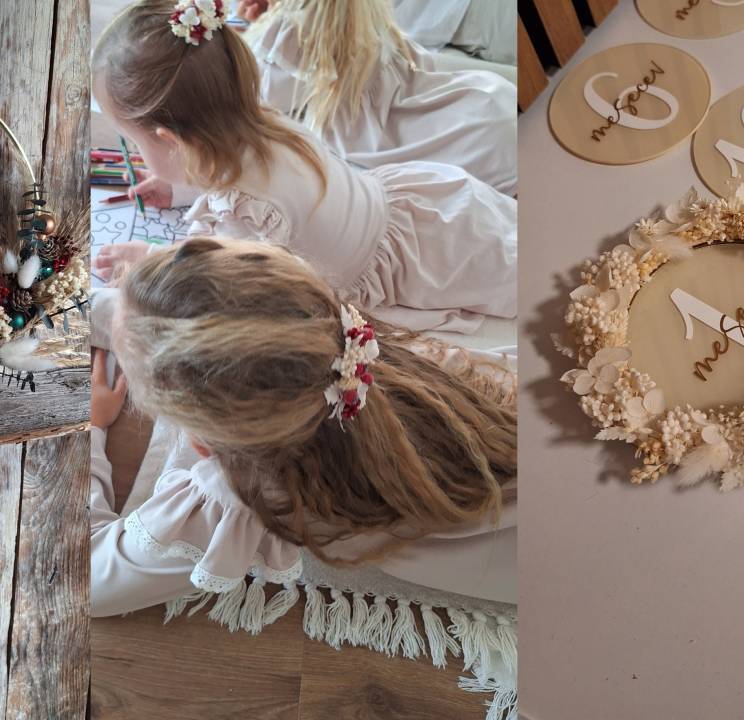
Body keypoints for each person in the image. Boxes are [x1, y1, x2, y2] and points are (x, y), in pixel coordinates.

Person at [90, 238, 516, 616]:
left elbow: (85, 577)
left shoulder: (248, 493)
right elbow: (201, 326)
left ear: (202, 444)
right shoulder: (345, 348)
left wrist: (86, 426)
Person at [90, 0, 516, 334]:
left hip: (430, 264)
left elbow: (214, 293)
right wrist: (181, 190)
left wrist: (151, 263)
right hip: (434, 208)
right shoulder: (262, 120)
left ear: (172, 142)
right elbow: (257, 184)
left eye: (135, 143)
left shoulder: (243, 215)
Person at [241, 0, 517, 195]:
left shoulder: (291, 30)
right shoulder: (354, 12)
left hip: (472, 144)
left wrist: (257, 32)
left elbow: (253, 95)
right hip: (487, 105)